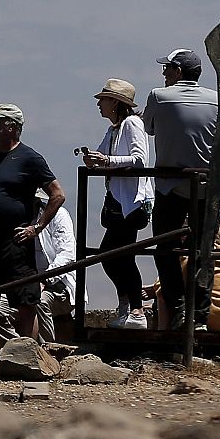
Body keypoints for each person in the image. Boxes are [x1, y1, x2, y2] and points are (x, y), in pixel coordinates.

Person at [0, 103, 65, 359]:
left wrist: (37, 227)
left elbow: (57, 194)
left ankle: (25, 355)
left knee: (24, 301)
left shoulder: (30, 158)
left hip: (15, 240)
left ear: (10, 126)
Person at [144, 47, 218, 330]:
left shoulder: (158, 96)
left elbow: (149, 128)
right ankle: (199, 314)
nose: (164, 73)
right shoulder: (217, 100)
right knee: (203, 250)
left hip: (169, 186)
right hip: (206, 187)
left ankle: (177, 309)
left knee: (165, 249)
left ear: (177, 71)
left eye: (167, 68)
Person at [80, 78, 154, 330]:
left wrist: (107, 160)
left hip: (131, 203)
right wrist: (94, 160)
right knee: (115, 256)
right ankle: (128, 306)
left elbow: (139, 159)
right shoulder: (113, 129)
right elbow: (103, 156)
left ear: (114, 102)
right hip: (119, 202)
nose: (99, 104)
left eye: (103, 99)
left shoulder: (132, 124)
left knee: (117, 255)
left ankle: (135, 309)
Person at [0, 194, 77, 345]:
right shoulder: (11, 219)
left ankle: (48, 352)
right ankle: (23, 349)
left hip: (57, 285)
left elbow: (67, 255)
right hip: (21, 284)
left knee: (38, 301)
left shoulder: (58, 215)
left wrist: (44, 280)